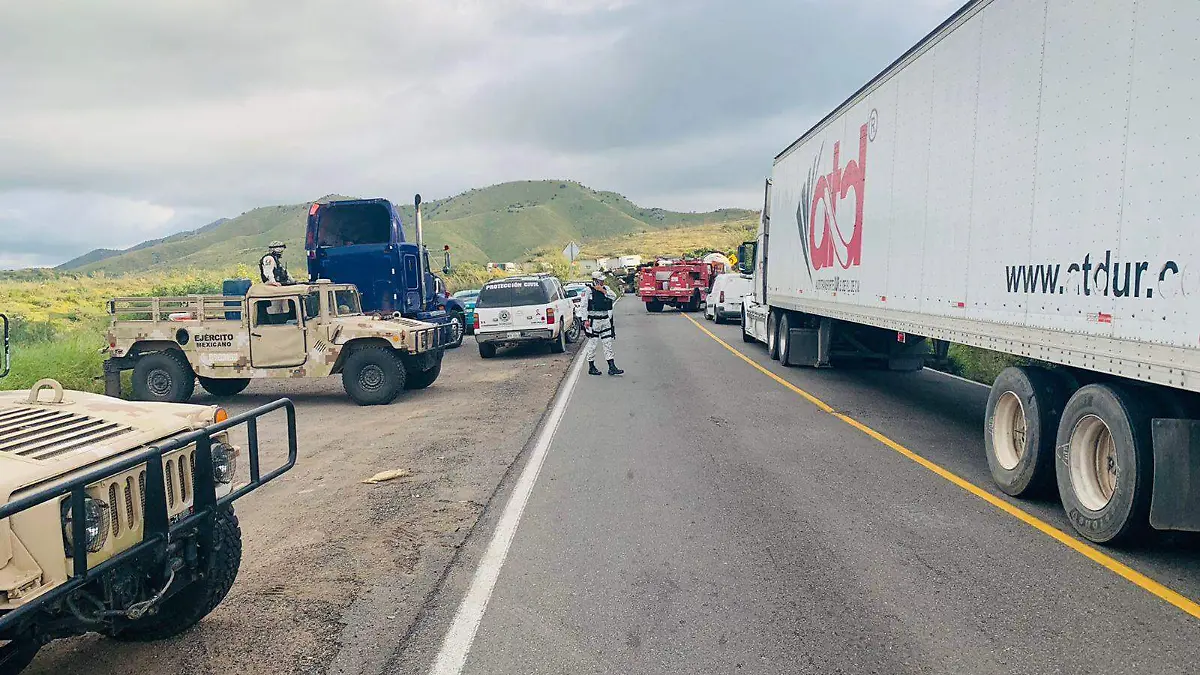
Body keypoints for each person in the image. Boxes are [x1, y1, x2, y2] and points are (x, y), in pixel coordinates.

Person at [584, 271, 623, 376]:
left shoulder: (606, 288)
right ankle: (591, 367)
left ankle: (611, 366)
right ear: (595, 280)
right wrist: (585, 320)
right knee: (593, 344)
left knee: (608, 343)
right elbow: (583, 305)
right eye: (601, 279)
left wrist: (603, 291)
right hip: (593, 320)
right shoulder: (588, 290)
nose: (603, 281)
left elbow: (613, 296)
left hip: (605, 319)